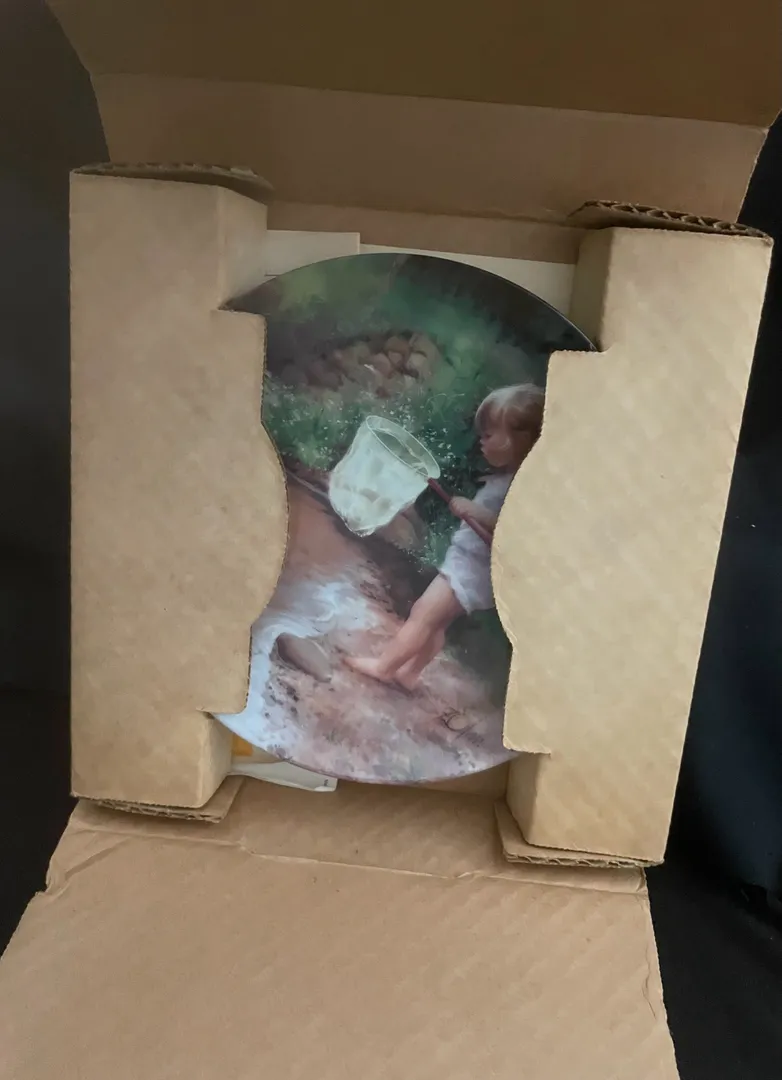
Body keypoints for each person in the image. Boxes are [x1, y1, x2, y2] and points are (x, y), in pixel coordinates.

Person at [346, 383, 545, 690]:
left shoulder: (517, 488)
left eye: (490, 435)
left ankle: (385, 667)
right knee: (436, 623)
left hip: (470, 571)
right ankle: (410, 673)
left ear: (519, 440)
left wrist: (475, 511)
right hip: (467, 564)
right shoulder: (508, 480)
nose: (482, 440)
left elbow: (512, 532)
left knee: (422, 615)